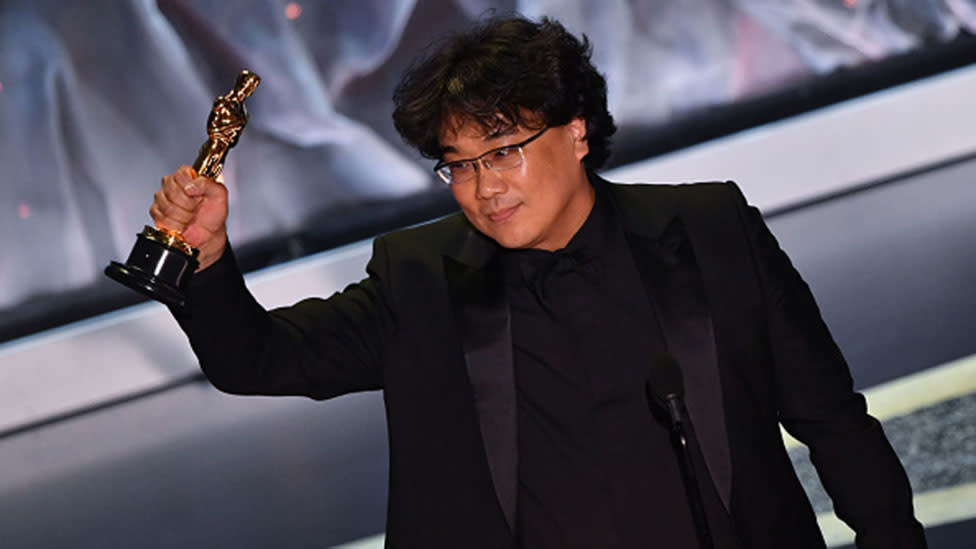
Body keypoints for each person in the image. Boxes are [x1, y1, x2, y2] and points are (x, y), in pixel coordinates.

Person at [151, 14, 926, 549]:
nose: (484, 187)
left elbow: (833, 421)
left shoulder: (714, 231)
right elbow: (258, 360)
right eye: (458, 165)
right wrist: (209, 260)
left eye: (503, 150)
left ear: (577, 130)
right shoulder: (418, 282)